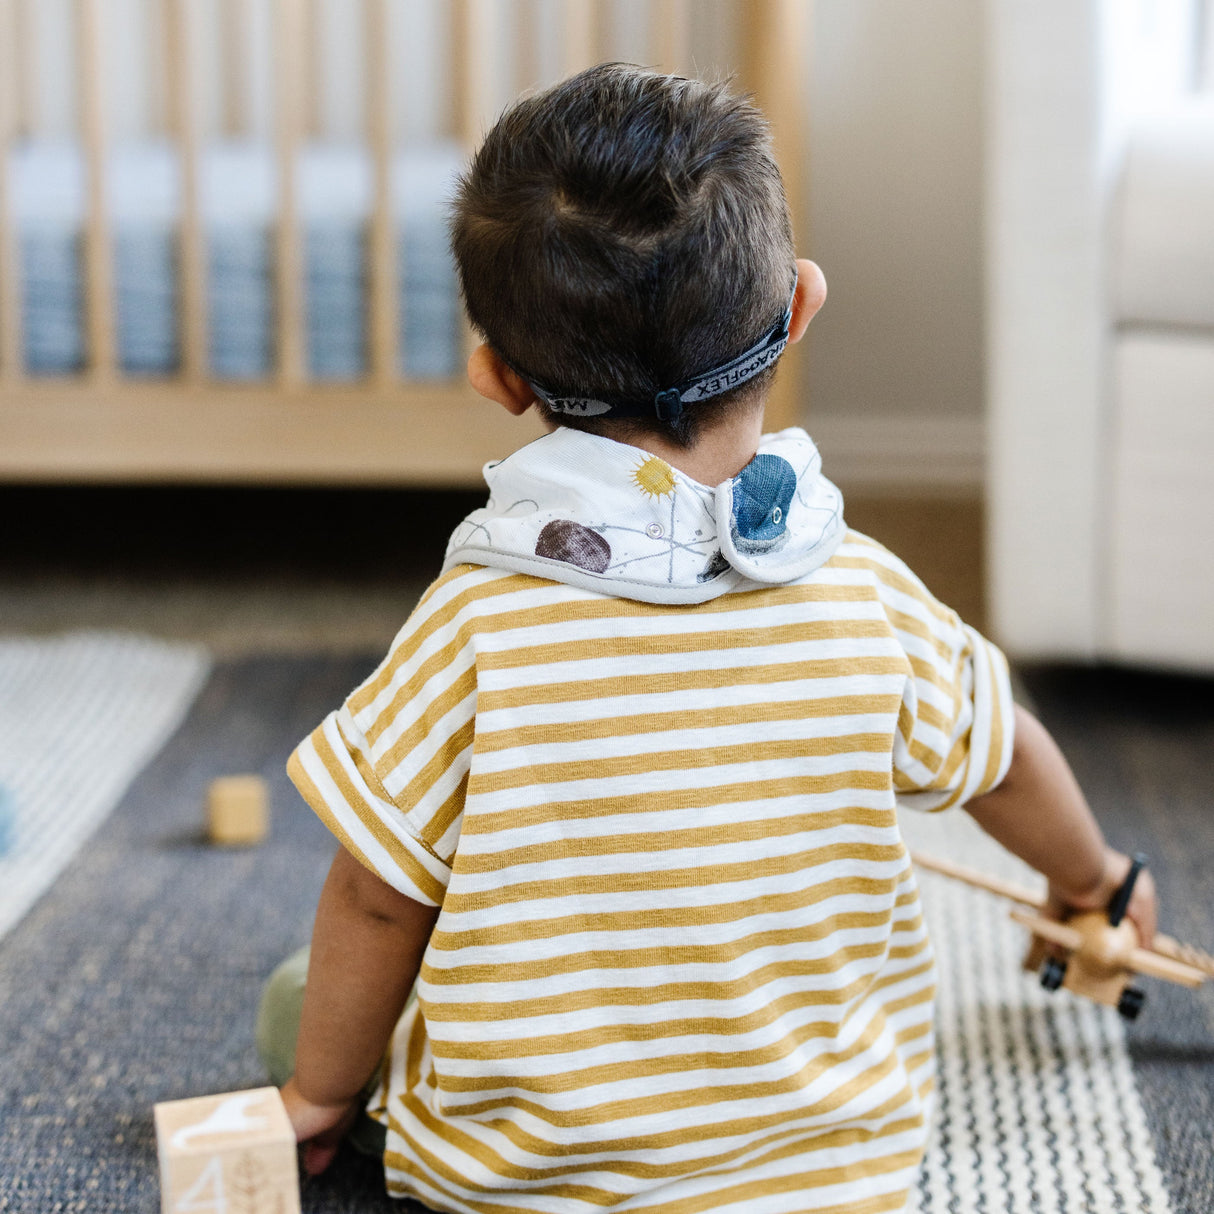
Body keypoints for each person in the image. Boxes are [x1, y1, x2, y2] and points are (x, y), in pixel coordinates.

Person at [259, 64, 1158, 1212]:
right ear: (799, 305)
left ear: (495, 376)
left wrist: (320, 1093)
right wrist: (1094, 879)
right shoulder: (868, 595)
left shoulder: (475, 626)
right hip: (836, 1165)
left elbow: (378, 898)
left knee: (306, 996)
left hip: (531, 1186)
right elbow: (1007, 752)